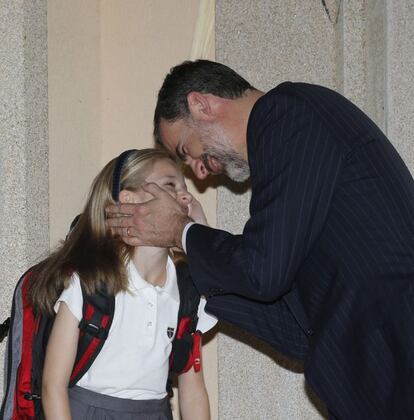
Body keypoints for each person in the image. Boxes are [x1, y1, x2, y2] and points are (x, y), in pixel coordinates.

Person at [106, 60, 414, 419]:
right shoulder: (282, 149)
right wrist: (194, 257)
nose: (200, 171)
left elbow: (262, 271)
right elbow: (296, 330)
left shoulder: (286, 116)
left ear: (201, 105)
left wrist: (181, 232)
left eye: (186, 151)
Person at [31, 148, 216, 419]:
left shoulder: (187, 291)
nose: (185, 195)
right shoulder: (91, 282)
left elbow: (193, 389)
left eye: (184, 188)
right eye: (169, 185)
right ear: (129, 202)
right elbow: (53, 386)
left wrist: (202, 241)